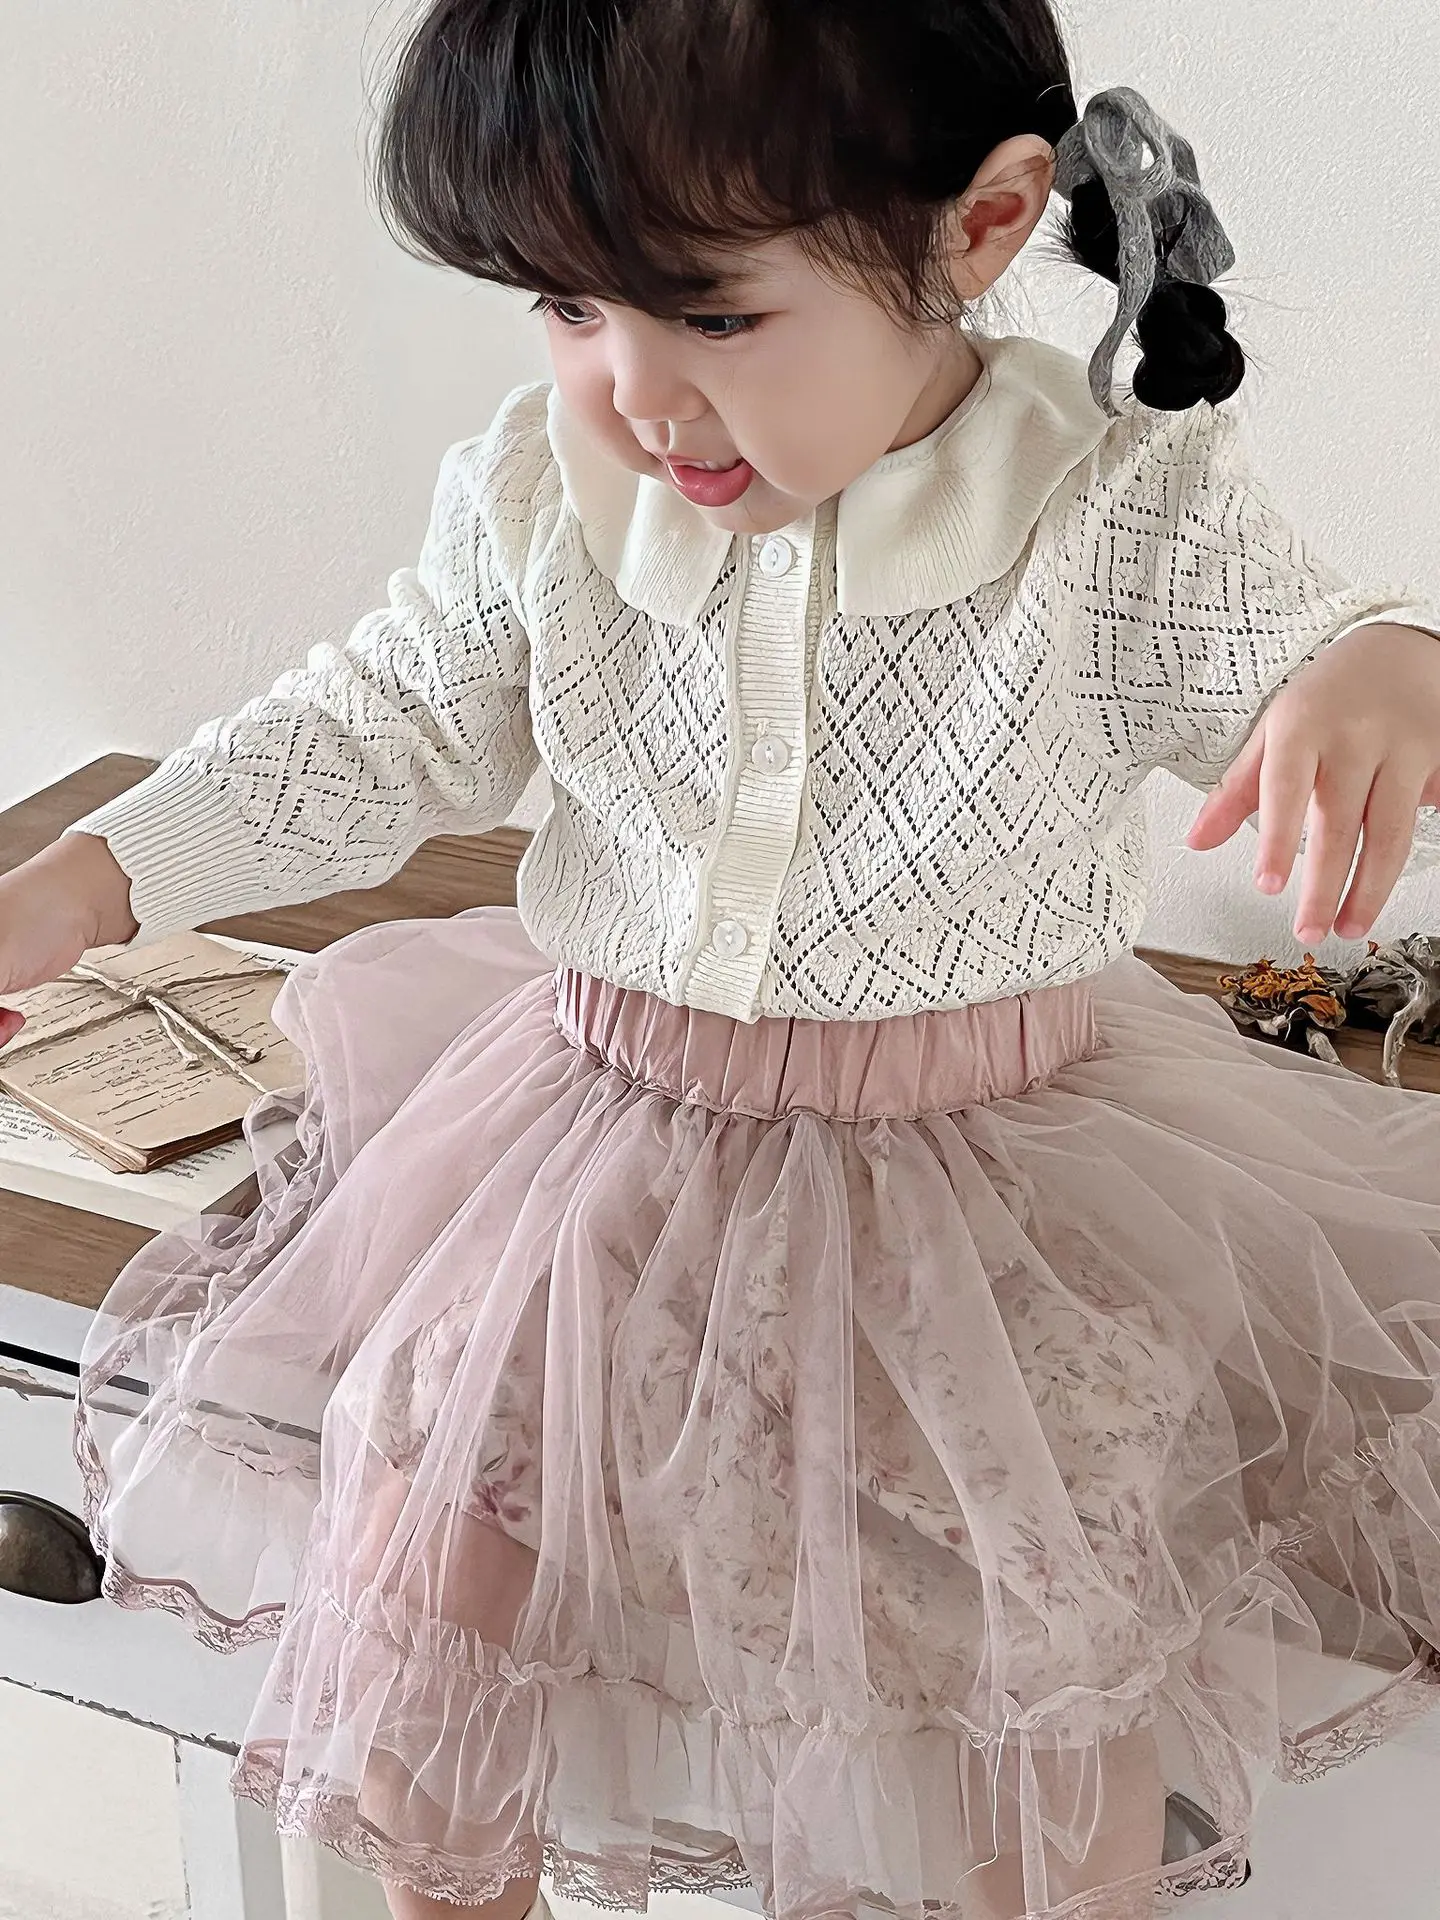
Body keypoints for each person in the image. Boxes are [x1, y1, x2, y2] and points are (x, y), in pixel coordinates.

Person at [4, 3, 1440, 1916]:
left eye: (710, 313)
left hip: (987, 1205)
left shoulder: (1109, 505)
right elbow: (377, 724)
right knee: (433, 1566)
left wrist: (1383, 666)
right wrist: (95, 874)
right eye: (567, 308)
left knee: (1031, 1660)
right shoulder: (549, 488)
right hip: (596, 1157)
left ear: (982, 230)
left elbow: (1303, 646)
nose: (633, 394)